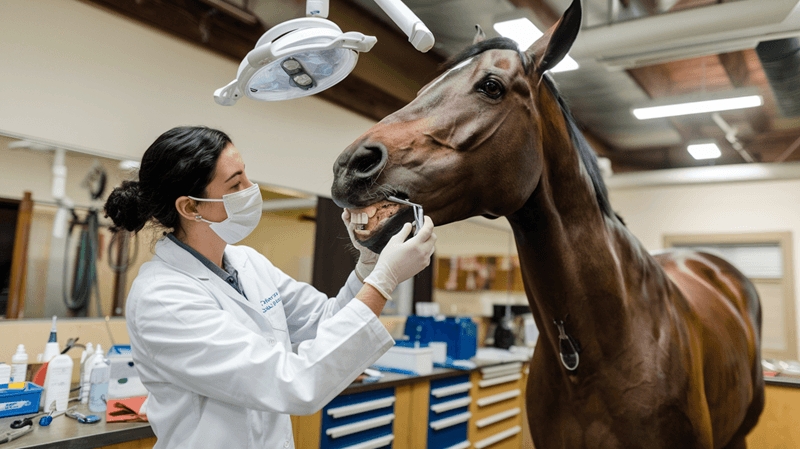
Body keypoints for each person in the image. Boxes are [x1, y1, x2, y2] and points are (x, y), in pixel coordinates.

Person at [104, 126, 436, 449]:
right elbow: (293, 382)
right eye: (236, 184)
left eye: (245, 175)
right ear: (190, 207)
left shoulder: (248, 263)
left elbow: (326, 320)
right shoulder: (162, 298)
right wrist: (384, 281)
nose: (252, 188)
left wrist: (368, 264)